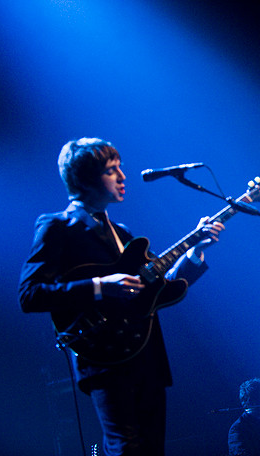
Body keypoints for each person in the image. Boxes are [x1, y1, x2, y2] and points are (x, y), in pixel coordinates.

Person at [18, 137, 225, 456]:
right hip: (103, 355)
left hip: (147, 354)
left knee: (153, 449)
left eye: (120, 168)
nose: (123, 176)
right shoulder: (57, 227)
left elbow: (162, 285)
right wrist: (101, 286)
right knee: (125, 449)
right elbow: (30, 295)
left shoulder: (125, 234)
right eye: (111, 170)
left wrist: (196, 248)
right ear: (86, 179)